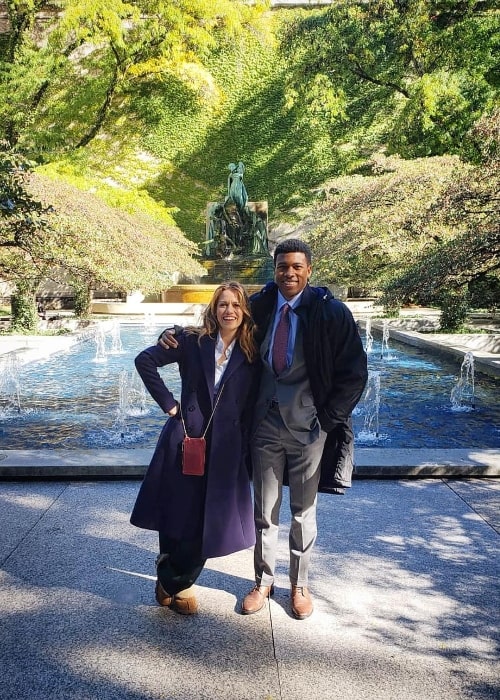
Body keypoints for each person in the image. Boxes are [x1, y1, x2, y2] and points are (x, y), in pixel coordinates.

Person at [160, 239, 368, 620]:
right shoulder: (262, 304)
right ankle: (262, 581)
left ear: (308, 270)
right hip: (263, 426)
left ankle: (299, 585)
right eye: (283, 266)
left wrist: (327, 421)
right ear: (275, 270)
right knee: (264, 512)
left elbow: (354, 373)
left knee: (304, 512)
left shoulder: (330, 313)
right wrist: (174, 334)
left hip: (309, 428)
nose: (289, 273)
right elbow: (221, 322)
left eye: (296, 267)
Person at [130, 281, 260, 615]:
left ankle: (174, 580)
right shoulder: (191, 340)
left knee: (208, 519)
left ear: (245, 311)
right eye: (222, 304)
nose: (228, 311)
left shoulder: (252, 351)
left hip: (226, 447)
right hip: (186, 437)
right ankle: (175, 579)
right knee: (177, 512)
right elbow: (144, 360)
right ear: (214, 309)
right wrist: (169, 405)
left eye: (235, 305)